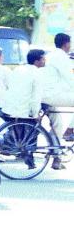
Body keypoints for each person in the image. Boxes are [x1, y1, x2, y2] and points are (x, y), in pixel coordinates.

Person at [39, 33, 74, 169]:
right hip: (50, 95)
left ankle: (56, 156)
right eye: (70, 43)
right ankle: (71, 129)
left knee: (57, 124)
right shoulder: (61, 57)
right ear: (66, 44)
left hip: (45, 95)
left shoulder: (51, 55)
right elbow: (70, 78)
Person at [2, 49, 45, 119]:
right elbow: (36, 97)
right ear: (37, 61)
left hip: (7, 109)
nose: (45, 61)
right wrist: (36, 115)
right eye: (43, 59)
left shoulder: (18, 69)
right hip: (21, 113)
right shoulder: (37, 73)